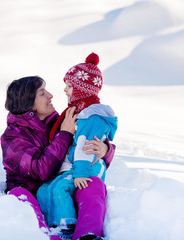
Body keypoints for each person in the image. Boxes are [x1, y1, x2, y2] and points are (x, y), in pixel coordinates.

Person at [0, 76, 115, 238]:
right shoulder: (13, 137)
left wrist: (105, 149)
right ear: (28, 102)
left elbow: (88, 138)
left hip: (63, 192)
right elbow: (41, 171)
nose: (50, 95)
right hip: (34, 197)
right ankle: (49, 236)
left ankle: (87, 235)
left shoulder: (60, 121)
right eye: (42, 93)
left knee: (93, 183)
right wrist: (65, 135)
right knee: (19, 194)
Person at [37, 53, 118, 240]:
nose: (64, 90)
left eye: (70, 86)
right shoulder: (79, 113)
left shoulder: (90, 116)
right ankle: (54, 222)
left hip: (85, 168)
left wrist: (81, 171)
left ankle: (66, 227)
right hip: (76, 166)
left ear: (82, 90)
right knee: (44, 190)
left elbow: (85, 145)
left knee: (58, 189)